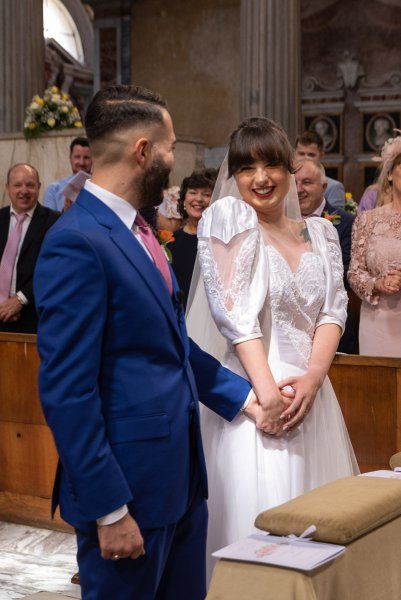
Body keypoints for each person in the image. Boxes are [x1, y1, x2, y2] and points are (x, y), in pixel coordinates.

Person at [33, 85, 269, 600]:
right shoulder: (77, 241)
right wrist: (109, 508)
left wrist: (247, 398)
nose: (171, 158)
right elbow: (66, 391)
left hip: (179, 482)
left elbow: (171, 343)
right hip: (128, 492)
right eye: (169, 147)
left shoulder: (140, 232)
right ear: (143, 151)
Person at [187, 117, 358, 581]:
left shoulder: (321, 235)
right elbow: (235, 316)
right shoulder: (231, 222)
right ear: (234, 176)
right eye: (246, 168)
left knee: (318, 533)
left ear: (289, 168)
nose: (260, 178)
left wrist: (313, 379)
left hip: (312, 395)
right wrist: (270, 400)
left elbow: (332, 312)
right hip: (258, 401)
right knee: (263, 535)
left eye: (270, 165)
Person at [295, 158, 358, 354]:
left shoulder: (347, 222)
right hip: (294, 327)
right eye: (294, 183)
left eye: (306, 182)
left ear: (323, 186)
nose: (298, 189)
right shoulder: (281, 221)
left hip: (333, 322)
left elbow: (346, 272)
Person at [348, 133, 401, 357]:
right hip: (378, 322)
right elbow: (354, 273)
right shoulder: (367, 220)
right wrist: (378, 283)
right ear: (389, 173)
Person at [0, 164, 59, 333]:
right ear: (7, 188)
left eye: (30, 185)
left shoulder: (54, 222)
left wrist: (19, 300)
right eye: (17, 185)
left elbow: (53, 269)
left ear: (39, 187)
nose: (24, 191)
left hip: (32, 317)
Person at [169, 169, 216, 307]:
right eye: (193, 193)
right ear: (183, 200)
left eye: (206, 194)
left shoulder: (218, 242)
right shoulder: (171, 241)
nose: (199, 199)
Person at [294, 130, 345, 209]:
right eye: (301, 154)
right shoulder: (285, 182)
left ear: (321, 156)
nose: (305, 158)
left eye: (311, 155)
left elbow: (335, 217)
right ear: (294, 154)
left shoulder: (334, 187)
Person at [43, 136, 92, 212]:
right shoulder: (53, 190)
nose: (82, 162)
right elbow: (49, 223)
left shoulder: (103, 188)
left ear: (93, 159)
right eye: (77, 157)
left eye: (86, 157)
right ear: (70, 158)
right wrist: (65, 212)